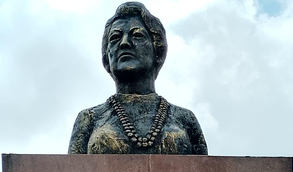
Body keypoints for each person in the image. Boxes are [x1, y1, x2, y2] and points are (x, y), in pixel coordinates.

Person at [68, 2, 208, 155]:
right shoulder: (89, 119)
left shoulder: (184, 119)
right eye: (115, 37)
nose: (124, 43)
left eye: (137, 35)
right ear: (106, 58)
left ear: (157, 50)